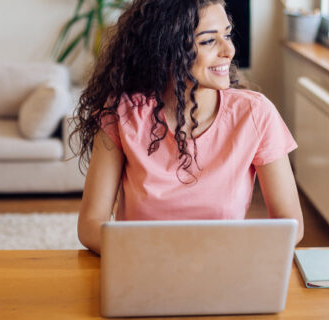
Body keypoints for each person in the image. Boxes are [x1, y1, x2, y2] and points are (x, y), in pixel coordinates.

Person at [73, 0, 304, 254]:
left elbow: (291, 223)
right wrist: (150, 254)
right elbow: (90, 224)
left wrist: (239, 255)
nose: (229, 50)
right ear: (166, 48)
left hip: (222, 271)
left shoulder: (255, 114)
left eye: (227, 34)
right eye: (208, 41)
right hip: (142, 269)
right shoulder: (124, 114)